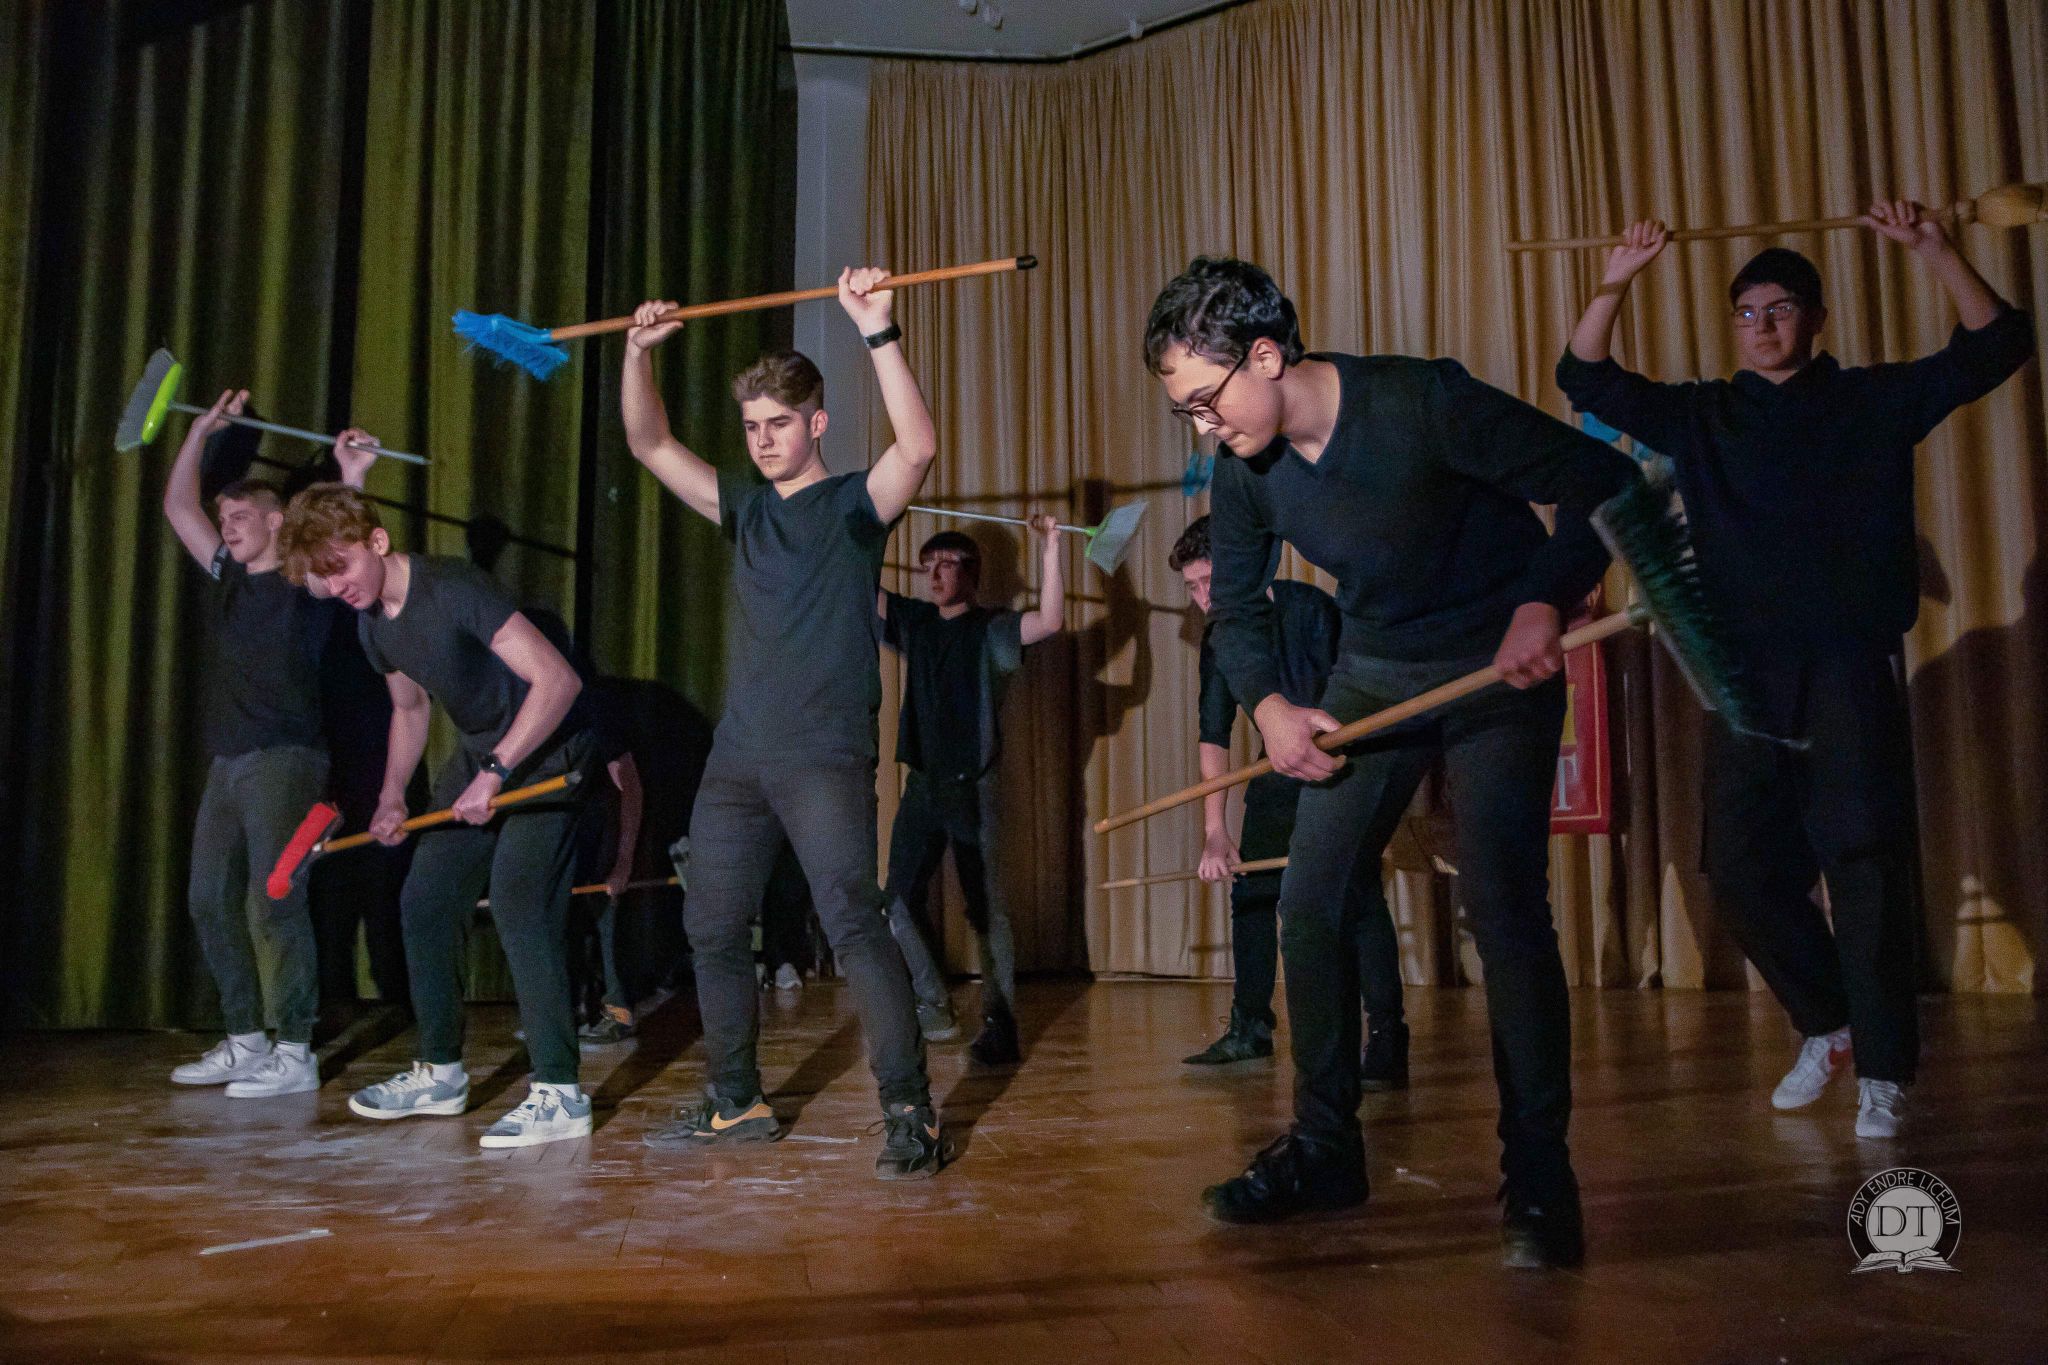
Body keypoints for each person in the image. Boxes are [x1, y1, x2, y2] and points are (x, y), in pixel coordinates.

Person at [1146, 256, 1638, 1268]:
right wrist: (1272, 707)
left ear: (1265, 357)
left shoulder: (1420, 402)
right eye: (1184, 411)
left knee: (1503, 907)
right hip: (1375, 669)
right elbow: (1234, 610)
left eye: (1204, 402)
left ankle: (1538, 1175)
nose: (1203, 429)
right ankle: (1326, 1150)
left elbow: (1600, 478)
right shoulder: (1244, 472)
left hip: (1496, 659)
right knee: (1310, 901)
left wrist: (1543, 599)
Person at [1557, 202, 2034, 1140]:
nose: (1763, 326)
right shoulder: (1705, 415)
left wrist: (1933, 248)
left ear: (1815, 318)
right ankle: (1828, 1021)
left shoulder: (1870, 401)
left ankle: (1884, 1073)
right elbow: (1584, 376)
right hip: (1742, 678)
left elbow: (1998, 346)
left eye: (1780, 309)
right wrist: (1617, 277)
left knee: (1864, 864)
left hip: (1847, 666)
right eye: (1747, 313)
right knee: (1737, 868)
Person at [620, 268, 949, 1179]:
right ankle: (737, 1101)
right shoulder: (746, 508)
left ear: (817, 423)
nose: (763, 440)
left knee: (853, 924)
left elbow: (918, 446)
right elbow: (649, 442)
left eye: (779, 423)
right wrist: (637, 354)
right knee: (712, 926)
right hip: (739, 758)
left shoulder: (853, 508)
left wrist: (877, 330)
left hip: (823, 756)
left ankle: (911, 1112)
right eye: (751, 426)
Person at [279, 479, 596, 1150]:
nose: (334, 586)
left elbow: (558, 681)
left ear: (377, 540)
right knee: (425, 899)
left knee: (519, 900)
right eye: (322, 576)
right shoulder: (372, 623)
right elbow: (410, 707)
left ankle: (560, 1091)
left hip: (547, 749)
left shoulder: (454, 588)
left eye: (340, 567)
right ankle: (442, 1072)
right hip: (482, 752)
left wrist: (496, 771)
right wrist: (393, 794)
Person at [161, 394, 373, 1099]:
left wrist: (351, 475)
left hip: (286, 757)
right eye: (225, 520)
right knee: (206, 898)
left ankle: (294, 1048)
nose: (227, 527)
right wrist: (199, 432)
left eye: (241, 518)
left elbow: (344, 553)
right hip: (227, 761)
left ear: (277, 520)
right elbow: (178, 508)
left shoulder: (302, 579)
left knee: (273, 899)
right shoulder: (228, 574)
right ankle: (247, 1037)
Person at [1168, 516, 1408, 1088]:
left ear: (1242, 569)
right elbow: (1213, 734)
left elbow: (1358, 697)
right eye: (1192, 588)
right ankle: (1250, 1026)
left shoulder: (1311, 611)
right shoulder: (1221, 638)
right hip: (1276, 769)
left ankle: (1387, 1037)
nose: (1203, 599)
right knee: (1252, 891)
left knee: (1357, 896)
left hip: (1340, 766)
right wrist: (1214, 831)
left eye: (1209, 583)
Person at [878, 518, 1064, 1064]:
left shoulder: (992, 629)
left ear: (972, 573)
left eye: (947, 564)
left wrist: (1051, 548)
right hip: (921, 786)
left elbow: (1050, 621)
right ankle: (934, 1003)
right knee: (895, 901)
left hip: (972, 789)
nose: (934, 575)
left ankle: (1000, 1026)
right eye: (927, 565)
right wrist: (859, 525)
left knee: (986, 911)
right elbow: (860, 586)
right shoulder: (916, 622)